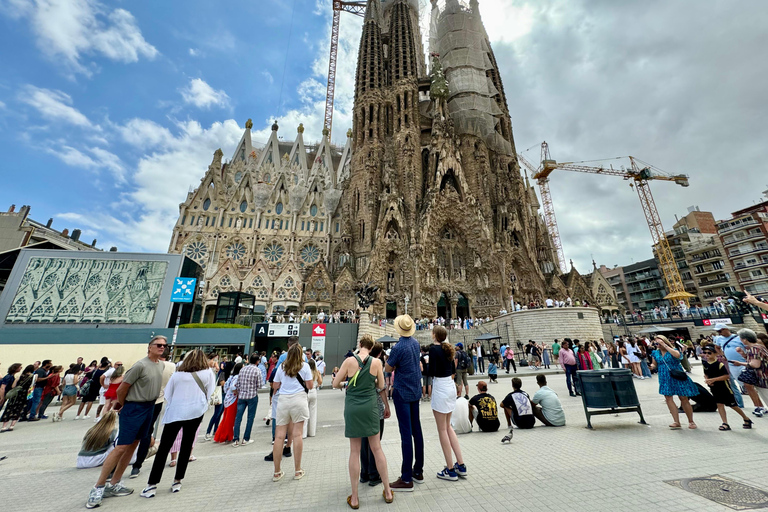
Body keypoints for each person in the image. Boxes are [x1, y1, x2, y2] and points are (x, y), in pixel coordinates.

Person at [86, 335, 166, 509]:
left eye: (164, 346)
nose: (162, 348)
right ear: (150, 347)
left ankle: (115, 483)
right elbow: (123, 388)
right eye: (158, 345)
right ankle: (98, 486)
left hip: (150, 407)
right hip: (134, 407)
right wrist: (123, 404)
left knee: (133, 444)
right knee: (122, 445)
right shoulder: (140, 365)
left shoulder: (160, 365)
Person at [140, 349, 215, 498]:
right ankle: (177, 480)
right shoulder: (208, 373)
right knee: (187, 445)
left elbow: (168, 393)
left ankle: (152, 484)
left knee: (164, 447)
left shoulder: (178, 374)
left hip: (176, 412)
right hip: (196, 411)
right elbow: (210, 391)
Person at [333, 335, 394, 508]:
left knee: (355, 451)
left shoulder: (349, 361)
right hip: (370, 407)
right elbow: (381, 385)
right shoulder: (377, 362)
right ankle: (388, 491)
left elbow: (335, 383)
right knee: (376, 448)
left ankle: (354, 498)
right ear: (372, 346)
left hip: (353, 407)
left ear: (360, 345)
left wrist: (348, 384)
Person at [385, 315, 425, 492]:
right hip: (415, 391)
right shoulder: (415, 343)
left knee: (406, 434)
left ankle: (406, 478)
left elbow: (388, 368)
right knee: (417, 431)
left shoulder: (398, 347)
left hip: (402, 391)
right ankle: (418, 471)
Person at [427, 325, 467, 481]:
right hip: (450, 386)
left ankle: (450, 469)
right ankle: (461, 465)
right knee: (449, 427)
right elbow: (452, 369)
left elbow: (432, 371)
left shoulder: (434, 349)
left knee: (442, 430)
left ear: (435, 335)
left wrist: (425, 365)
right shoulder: (449, 349)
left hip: (441, 387)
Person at [130, 347, 175, 479]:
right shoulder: (172, 366)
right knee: (147, 432)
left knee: (132, 433)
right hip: (158, 401)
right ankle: (137, 465)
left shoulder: (144, 364)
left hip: (140, 401)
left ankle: (119, 465)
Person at [270, 343, 312, 482]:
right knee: (297, 434)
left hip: (283, 400)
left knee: (279, 436)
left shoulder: (282, 367)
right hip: (299, 399)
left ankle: (277, 472)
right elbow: (310, 385)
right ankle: (297, 470)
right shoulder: (304, 366)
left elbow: (275, 385)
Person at [649, 335, 697, 430]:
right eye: (656, 342)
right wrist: (651, 366)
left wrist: (666, 346)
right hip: (664, 376)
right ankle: (676, 421)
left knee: (683, 397)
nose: (657, 343)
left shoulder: (673, 349)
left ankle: (691, 421)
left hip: (676, 374)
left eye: (659, 341)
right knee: (668, 398)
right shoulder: (655, 352)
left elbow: (678, 356)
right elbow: (654, 363)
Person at [701, 344, 752, 431]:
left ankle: (746, 418)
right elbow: (706, 373)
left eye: (709, 353)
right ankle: (725, 423)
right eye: (705, 353)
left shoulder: (719, 364)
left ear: (715, 354)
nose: (706, 355)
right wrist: (707, 380)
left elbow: (726, 376)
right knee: (719, 404)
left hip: (724, 388)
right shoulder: (705, 364)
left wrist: (713, 380)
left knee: (733, 405)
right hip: (714, 388)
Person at [359, 342, 388, 487]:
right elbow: (381, 388)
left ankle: (364, 473)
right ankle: (374, 473)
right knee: (375, 443)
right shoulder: (376, 364)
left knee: (364, 441)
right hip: (375, 407)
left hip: (361, 405)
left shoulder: (358, 363)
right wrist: (387, 406)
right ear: (379, 353)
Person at [232, 353, 265, 447]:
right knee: (250, 418)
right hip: (252, 395)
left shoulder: (242, 369)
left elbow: (237, 384)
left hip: (242, 396)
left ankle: (236, 439)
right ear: (257, 361)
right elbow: (260, 385)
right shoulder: (257, 370)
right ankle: (246, 438)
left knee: (238, 417)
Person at [713, 324, 748, 410]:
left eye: (720, 331)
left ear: (725, 329)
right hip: (731, 364)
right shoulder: (719, 339)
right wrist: (722, 355)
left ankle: (759, 405)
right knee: (738, 384)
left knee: (749, 385)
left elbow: (747, 347)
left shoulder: (738, 337)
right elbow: (717, 347)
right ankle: (740, 403)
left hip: (743, 362)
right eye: (718, 332)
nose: (719, 333)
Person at [0, 364, 34, 432]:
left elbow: (13, 386)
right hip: (23, 395)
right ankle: (12, 426)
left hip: (15, 395)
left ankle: (4, 426)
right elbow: (32, 386)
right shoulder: (33, 377)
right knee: (18, 410)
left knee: (9, 409)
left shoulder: (18, 376)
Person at [214, 363, 241, 443]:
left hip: (227, 398)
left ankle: (220, 435)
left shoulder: (231, 376)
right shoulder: (237, 377)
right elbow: (233, 387)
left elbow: (226, 387)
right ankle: (227, 436)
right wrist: (237, 393)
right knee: (230, 419)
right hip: (233, 399)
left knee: (225, 418)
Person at [205, 357, 226, 440]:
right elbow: (222, 383)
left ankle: (215, 430)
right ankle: (208, 431)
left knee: (219, 413)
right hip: (219, 394)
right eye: (214, 360)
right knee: (217, 414)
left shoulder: (217, 372)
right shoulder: (217, 372)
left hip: (222, 394)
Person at [303, 358, 322, 438]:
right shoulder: (316, 372)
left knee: (304, 413)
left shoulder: (306, 372)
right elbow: (320, 382)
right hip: (314, 391)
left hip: (306, 392)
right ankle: (312, 432)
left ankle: (303, 433)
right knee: (313, 412)